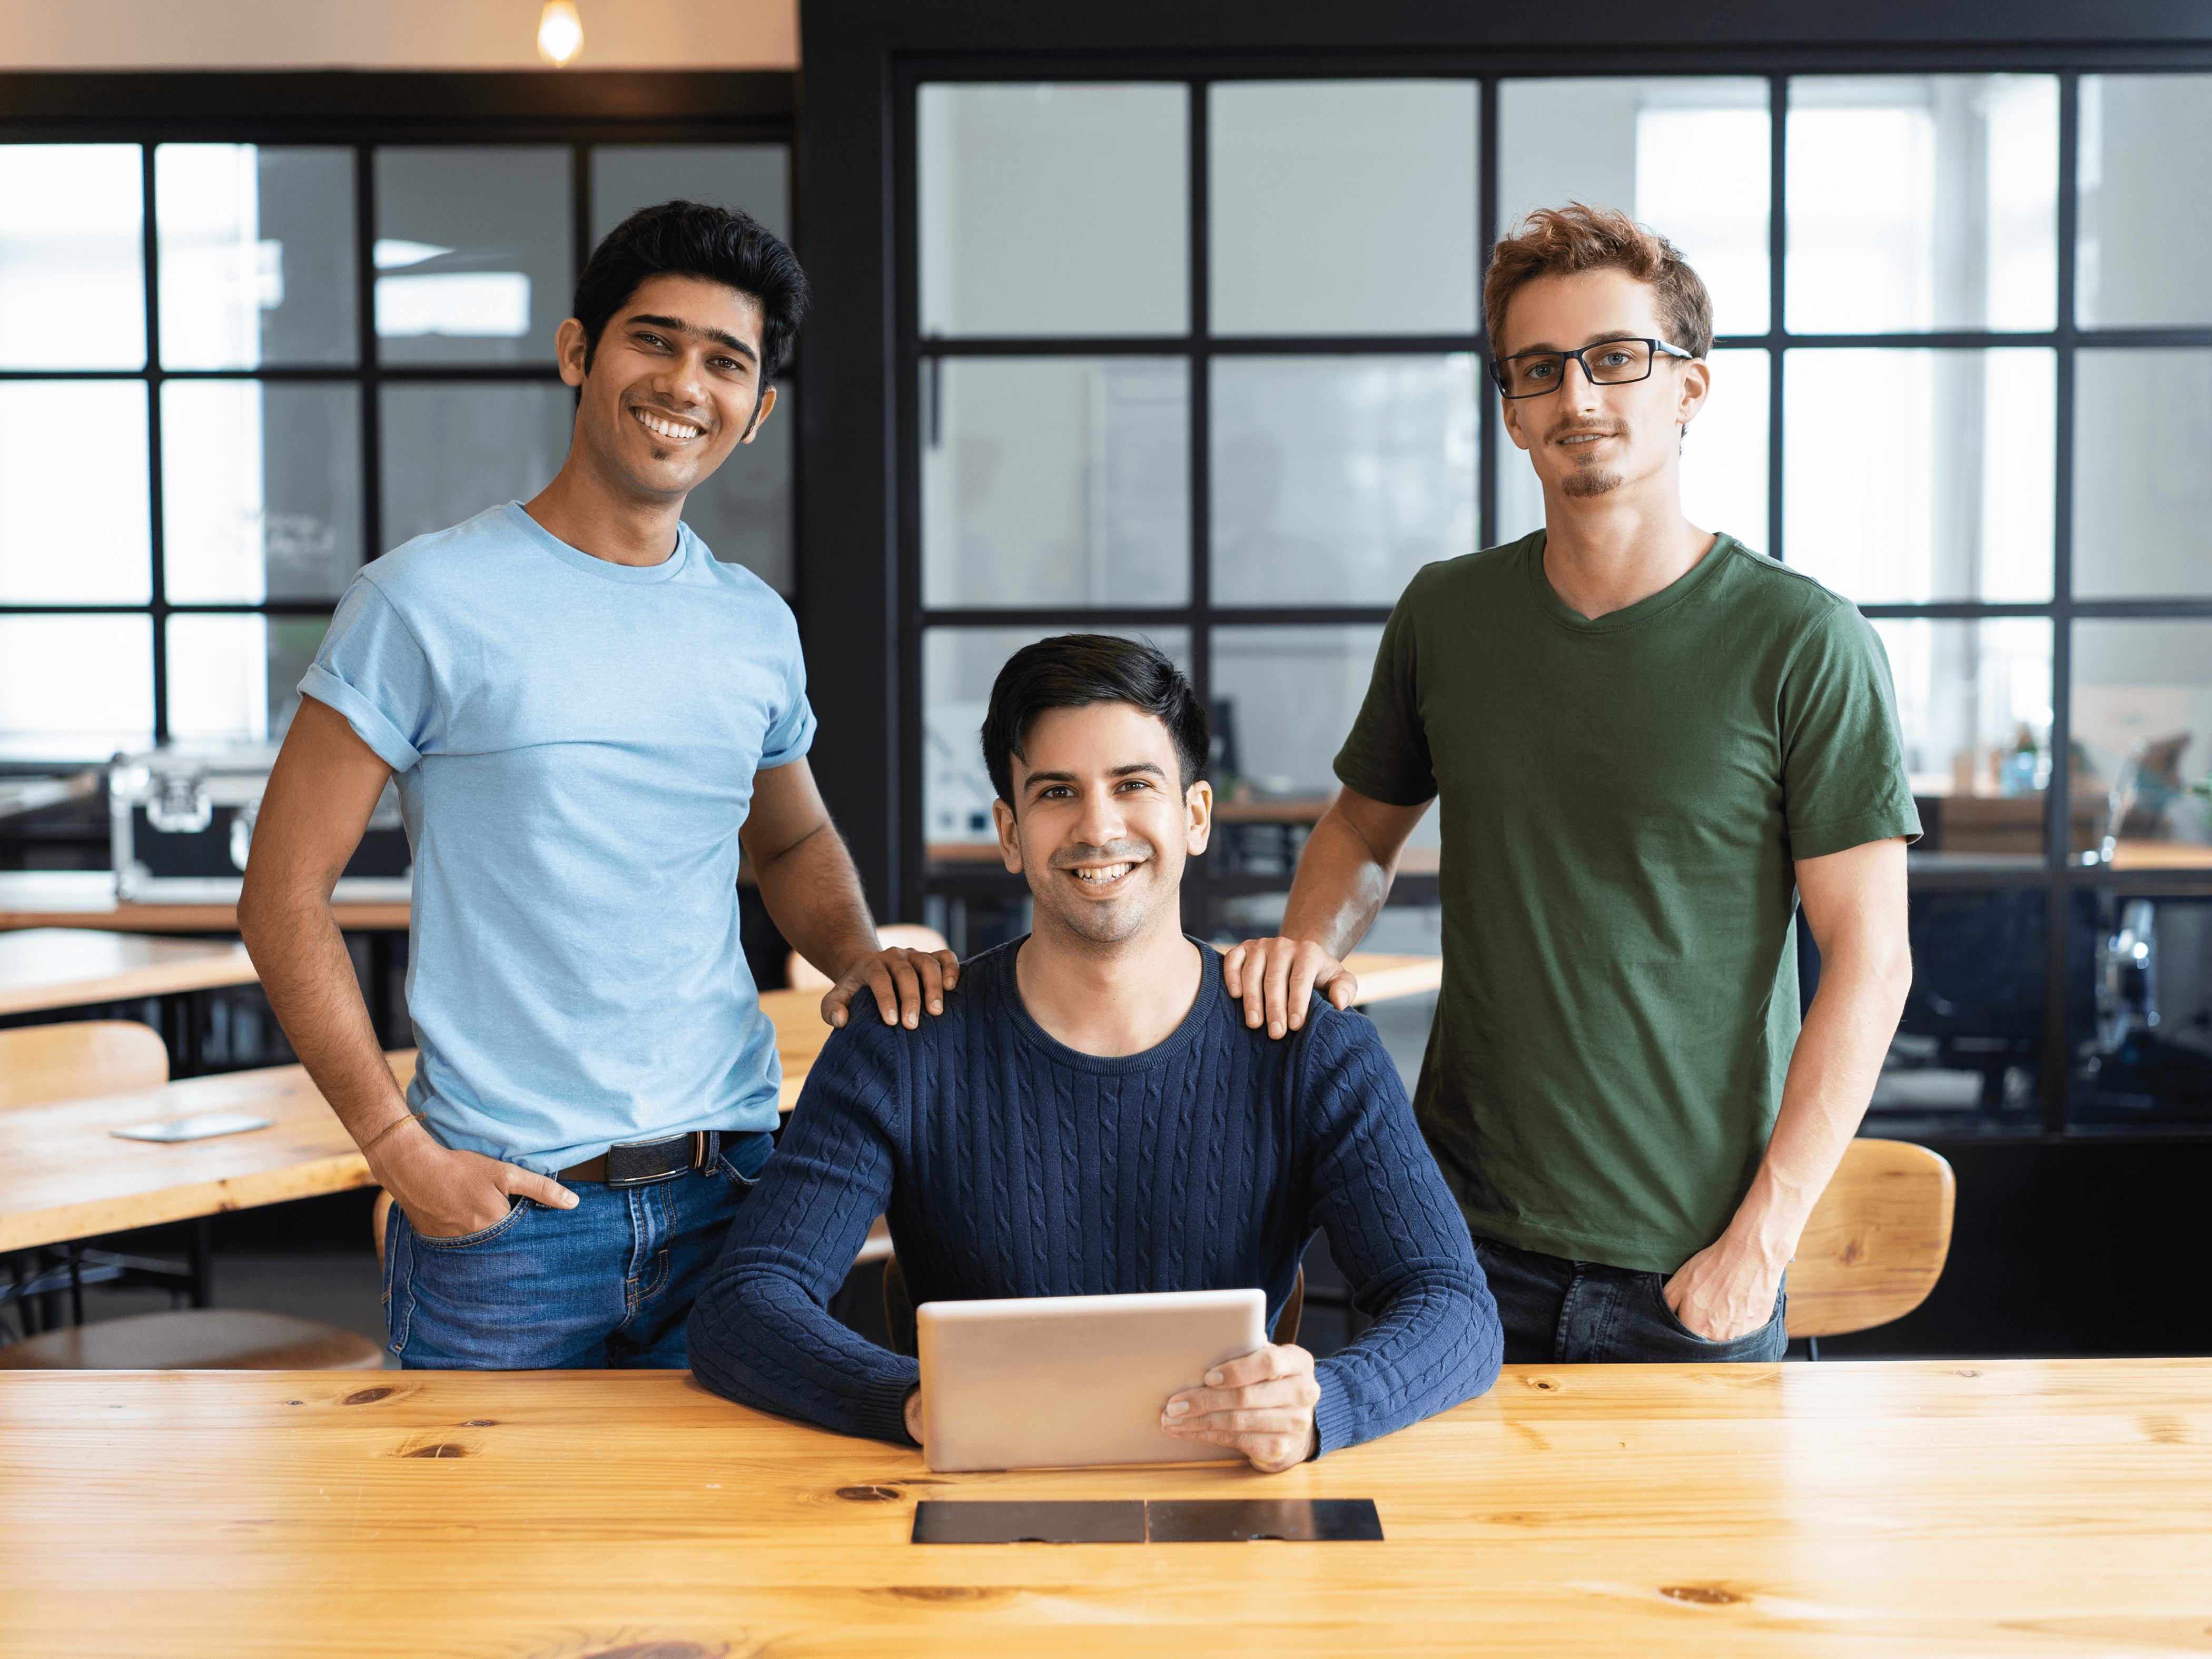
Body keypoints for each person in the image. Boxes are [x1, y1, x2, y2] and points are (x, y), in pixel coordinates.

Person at [238, 201, 955, 1369]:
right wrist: (393, 1146)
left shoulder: (753, 626)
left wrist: (861, 954)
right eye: (653, 341)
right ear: (581, 352)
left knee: (731, 1549)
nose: (685, 382)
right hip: (510, 1221)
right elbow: (280, 895)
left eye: (726, 362)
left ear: (757, 410)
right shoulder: (421, 602)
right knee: (491, 1554)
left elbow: (789, 842)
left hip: (735, 1195)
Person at [1223, 204, 1918, 1364]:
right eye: (1539, 371)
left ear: (1690, 389)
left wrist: (1764, 1241)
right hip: (1454, 1251)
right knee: (1437, 1553)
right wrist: (1310, 951)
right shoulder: (1448, 615)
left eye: (1616, 359)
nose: (1578, 398)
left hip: (1694, 1266)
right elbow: (1360, 828)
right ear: (1510, 410)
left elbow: (1872, 958)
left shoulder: (1804, 639)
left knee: (1695, 1557)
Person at [687, 635, 1500, 1469]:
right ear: (1011, 832)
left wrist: (1327, 1404)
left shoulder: (1308, 1042)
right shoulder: (903, 1042)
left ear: (1195, 816)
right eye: (1056, 793)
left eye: (1133, 784)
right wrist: (907, 1401)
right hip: (968, 1513)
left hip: (1234, 1502)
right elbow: (744, 1304)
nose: (1098, 826)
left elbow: (1455, 1310)